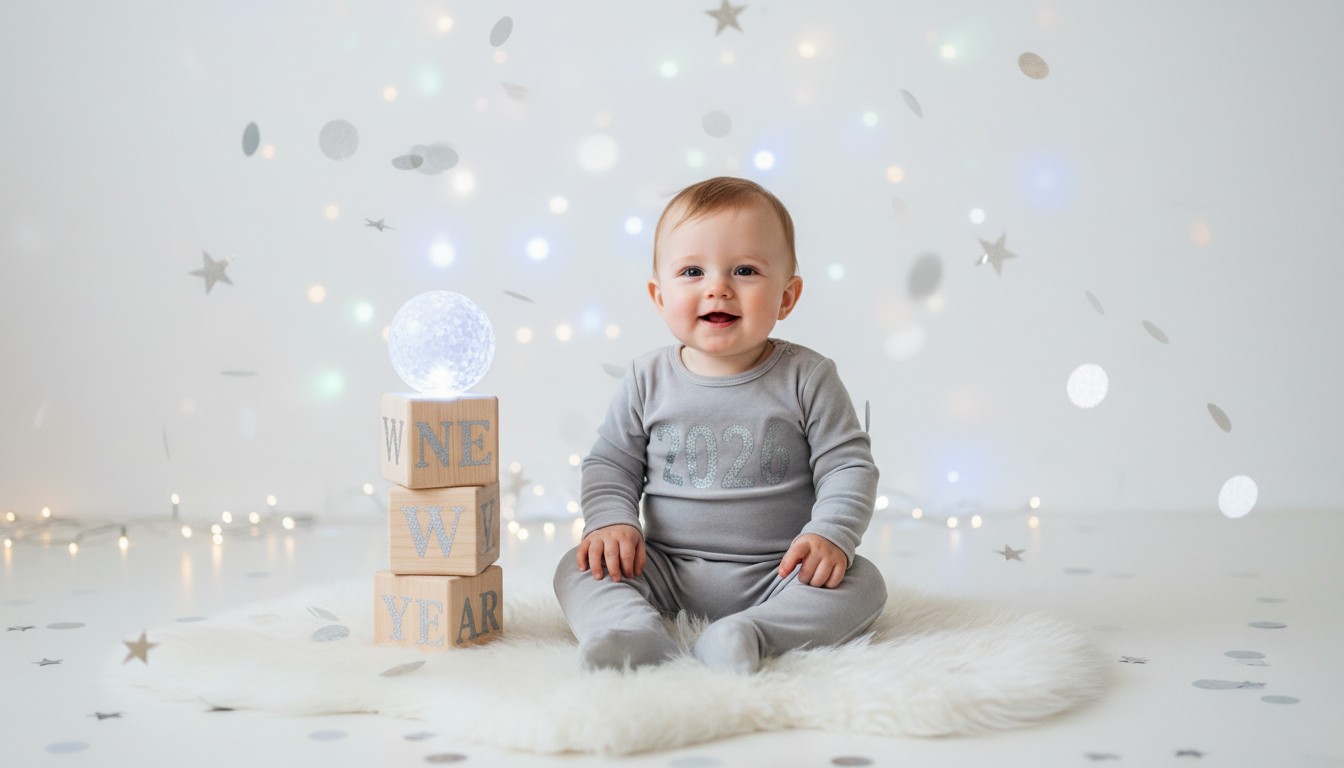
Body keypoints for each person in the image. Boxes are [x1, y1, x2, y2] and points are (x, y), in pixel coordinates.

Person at [553, 176, 886, 673]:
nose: (718, 287)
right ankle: (632, 631)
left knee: (865, 583)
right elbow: (611, 463)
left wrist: (830, 534)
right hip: (663, 568)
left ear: (787, 297)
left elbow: (848, 466)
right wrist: (612, 522)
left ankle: (749, 634)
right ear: (659, 296)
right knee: (576, 568)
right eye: (691, 271)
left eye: (745, 270)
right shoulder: (647, 377)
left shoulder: (807, 376)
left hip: (780, 570)